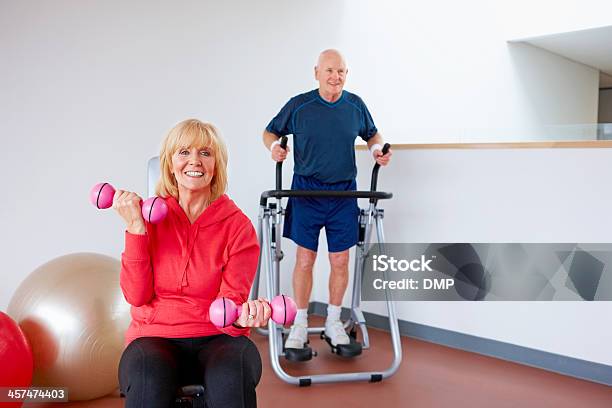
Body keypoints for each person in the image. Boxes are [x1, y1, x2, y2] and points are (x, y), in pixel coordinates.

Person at [116, 119, 269, 408]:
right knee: (148, 378)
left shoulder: (238, 226)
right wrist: (136, 229)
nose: (194, 161)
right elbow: (136, 296)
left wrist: (242, 316)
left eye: (205, 153)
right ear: (170, 164)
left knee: (231, 374)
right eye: (183, 152)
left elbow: (230, 302)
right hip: (154, 337)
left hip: (217, 337)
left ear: (216, 165)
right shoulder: (147, 219)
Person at [262, 49, 392, 352]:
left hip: (343, 192)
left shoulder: (355, 106)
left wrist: (377, 150)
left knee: (341, 260)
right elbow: (270, 132)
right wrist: (274, 149)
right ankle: (300, 323)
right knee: (305, 258)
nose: (336, 77)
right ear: (317, 72)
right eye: (331, 71)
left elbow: (373, 135)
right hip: (306, 192)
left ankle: (334, 321)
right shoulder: (300, 105)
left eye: (342, 72)